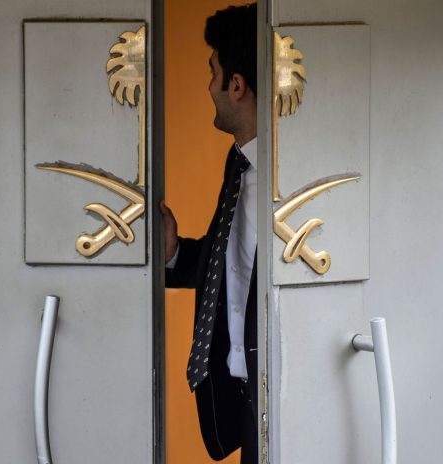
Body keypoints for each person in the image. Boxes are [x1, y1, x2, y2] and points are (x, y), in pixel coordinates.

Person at [160, 4, 258, 463]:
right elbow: (231, 262)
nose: (207, 86)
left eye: (212, 72)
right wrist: (174, 253)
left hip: (285, 393)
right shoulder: (238, 163)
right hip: (242, 399)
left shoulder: (291, 177)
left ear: (235, 85)